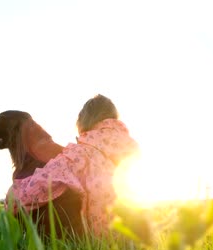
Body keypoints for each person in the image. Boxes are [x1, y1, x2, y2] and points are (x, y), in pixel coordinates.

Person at [9, 94, 139, 236]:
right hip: (134, 237)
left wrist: (15, 193)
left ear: (84, 120)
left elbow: (46, 181)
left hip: (101, 236)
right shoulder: (134, 150)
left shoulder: (81, 152)